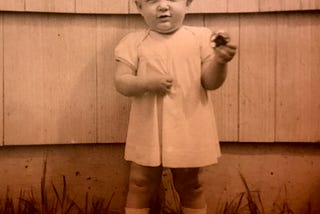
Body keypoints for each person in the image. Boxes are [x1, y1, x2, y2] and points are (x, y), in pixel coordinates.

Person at [114, 0, 237, 213]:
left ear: (188, 3)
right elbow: (121, 82)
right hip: (148, 128)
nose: (163, 6)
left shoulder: (199, 38)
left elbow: (210, 82)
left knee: (191, 184)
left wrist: (219, 62)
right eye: (152, 1)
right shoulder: (134, 42)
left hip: (188, 125)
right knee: (140, 183)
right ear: (139, 7)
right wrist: (146, 82)